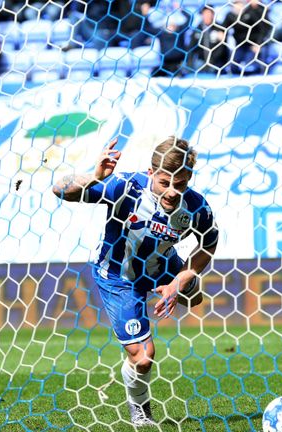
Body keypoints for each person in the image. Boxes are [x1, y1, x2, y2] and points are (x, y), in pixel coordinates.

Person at [52, 136, 219, 426]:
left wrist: (181, 279)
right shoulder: (125, 187)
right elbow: (59, 190)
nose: (170, 193)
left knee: (194, 298)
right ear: (151, 172)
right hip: (118, 276)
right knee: (143, 357)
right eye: (164, 182)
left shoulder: (195, 208)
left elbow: (208, 244)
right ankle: (140, 411)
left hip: (162, 265)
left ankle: (180, 285)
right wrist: (94, 176)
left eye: (179, 185)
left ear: (189, 178)